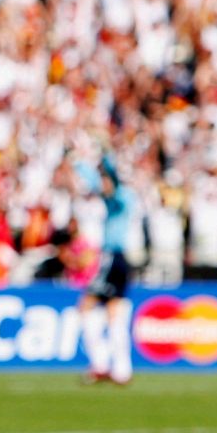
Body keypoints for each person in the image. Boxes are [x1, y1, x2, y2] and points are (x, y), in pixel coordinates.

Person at [79, 158, 136, 385]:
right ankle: (121, 370)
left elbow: (108, 182)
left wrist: (103, 157)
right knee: (114, 314)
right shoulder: (113, 198)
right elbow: (95, 183)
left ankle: (101, 364)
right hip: (117, 259)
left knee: (87, 306)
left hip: (114, 258)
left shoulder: (122, 198)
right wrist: (80, 162)